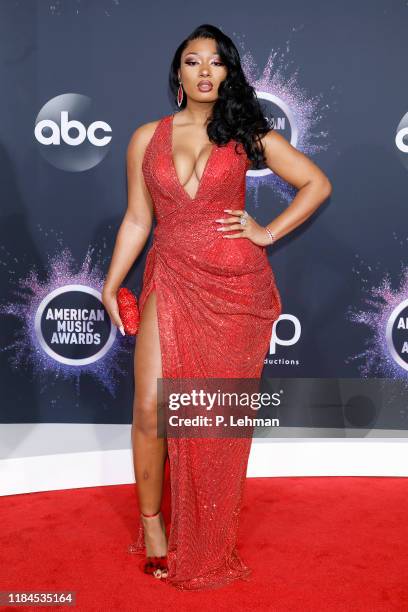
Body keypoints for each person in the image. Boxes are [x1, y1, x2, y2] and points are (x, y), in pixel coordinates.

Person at [102, 23, 332, 591]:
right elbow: (138, 219)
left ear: (228, 71)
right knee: (153, 407)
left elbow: (315, 183)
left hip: (234, 286)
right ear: (177, 73)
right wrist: (111, 284)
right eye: (192, 61)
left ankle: (205, 532)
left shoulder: (247, 133)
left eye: (215, 61)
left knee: (212, 418)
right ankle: (153, 526)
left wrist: (268, 231)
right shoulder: (145, 138)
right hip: (172, 275)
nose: (204, 70)